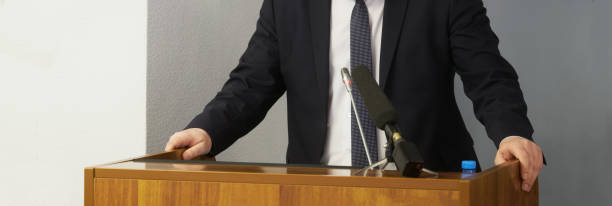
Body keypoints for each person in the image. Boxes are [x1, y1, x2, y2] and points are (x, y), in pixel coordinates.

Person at [165, 0, 543, 192]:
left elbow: (489, 76)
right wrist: (207, 130)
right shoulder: (289, 4)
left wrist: (511, 134)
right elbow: (251, 82)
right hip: (318, 190)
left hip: (427, 188)